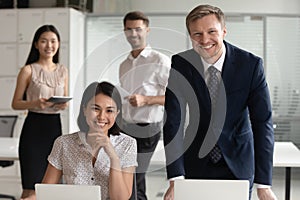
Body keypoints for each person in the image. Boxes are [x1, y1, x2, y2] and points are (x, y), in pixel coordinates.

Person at [163, 4, 277, 200]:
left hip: (238, 161)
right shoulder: (181, 64)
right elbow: (173, 120)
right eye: (197, 34)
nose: (205, 40)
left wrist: (263, 183)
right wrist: (176, 176)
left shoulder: (250, 65)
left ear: (224, 31)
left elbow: (262, 123)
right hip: (195, 161)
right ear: (190, 35)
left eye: (211, 32)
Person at [22, 81, 138, 200]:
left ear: (117, 114)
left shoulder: (128, 144)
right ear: (84, 110)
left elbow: (120, 198)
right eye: (96, 109)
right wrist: (31, 198)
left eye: (109, 111)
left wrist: (113, 157)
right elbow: (46, 191)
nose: (102, 117)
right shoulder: (63, 143)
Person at [11, 24, 69, 199]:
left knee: (51, 187)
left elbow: (65, 98)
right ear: (36, 44)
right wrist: (35, 103)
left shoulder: (63, 71)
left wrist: (63, 104)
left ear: (58, 44)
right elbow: (15, 103)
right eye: (44, 41)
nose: (49, 45)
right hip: (33, 129)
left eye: (53, 41)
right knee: (31, 187)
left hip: (54, 129)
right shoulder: (28, 70)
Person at [119, 11, 171, 200]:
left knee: (135, 175)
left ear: (147, 30)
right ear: (124, 31)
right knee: (128, 177)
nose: (133, 34)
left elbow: (176, 96)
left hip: (147, 128)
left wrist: (146, 100)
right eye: (129, 29)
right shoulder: (124, 64)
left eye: (138, 29)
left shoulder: (159, 60)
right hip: (125, 127)